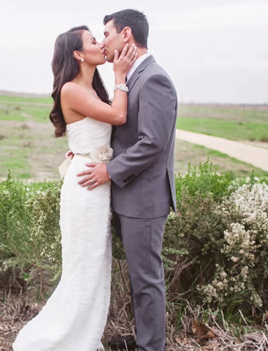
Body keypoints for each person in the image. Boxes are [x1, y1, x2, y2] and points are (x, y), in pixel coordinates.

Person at [12, 25, 137, 351]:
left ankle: (83, 335)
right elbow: (118, 116)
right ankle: (65, 339)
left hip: (95, 179)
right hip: (85, 186)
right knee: (83, 264)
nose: (101, 43)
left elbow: (99, 133)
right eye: (94, 41)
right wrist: (120, 73)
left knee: (94, 263)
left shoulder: (92, 90)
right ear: (79, 54)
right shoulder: (70, 89)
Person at [77, 9, 178, 351]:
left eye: (107, 34)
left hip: (145, 200)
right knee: (139, 279)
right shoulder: (130, 77)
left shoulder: (153, 79)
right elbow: (122, 134)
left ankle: (152, 348)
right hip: (128, 196)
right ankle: (144, 340)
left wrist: (108, 171)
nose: (103, 40)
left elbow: (153, 143)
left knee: (147, 281)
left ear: (127, 36)